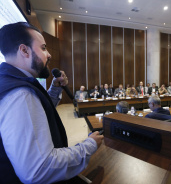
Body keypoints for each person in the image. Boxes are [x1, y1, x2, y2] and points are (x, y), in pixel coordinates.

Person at [0, 22, 104, 183]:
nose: (49, 54)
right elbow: (40, 169)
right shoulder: (20, 95)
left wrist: (55, 89)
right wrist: (89, 145)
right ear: (24, 50)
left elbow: (38, 115)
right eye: (43, 48)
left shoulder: (10, 82)